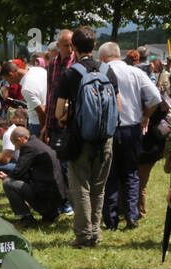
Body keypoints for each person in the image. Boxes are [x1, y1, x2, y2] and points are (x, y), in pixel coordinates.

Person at [55, 26, 116, 248]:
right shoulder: (107, 70)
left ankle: (83, 235)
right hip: (105, 138)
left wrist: (70, 112)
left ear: (74, 47)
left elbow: (59, 114)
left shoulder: (71, 73)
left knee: (80, 185)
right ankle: (96, 232)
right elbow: (117, 105)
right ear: (94, 45)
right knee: (99, 187)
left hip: (80, 138)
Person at [100, 42, 162, 231]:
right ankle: (132, 216)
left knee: (110, 176)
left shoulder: (101, 73)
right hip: (132, 129)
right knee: (130, 174)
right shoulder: (136, 73)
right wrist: (145, 116)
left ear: (103, 57)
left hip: (109, 129)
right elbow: (155, 98)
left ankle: (110, 220)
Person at [0, 126, 67, 225]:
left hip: (49, 197)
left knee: (8, 183)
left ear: (20, 139)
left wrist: (6, 177)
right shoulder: (36, 143)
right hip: (57, 195)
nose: (16, 148)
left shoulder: (28, 147)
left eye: (15, 144)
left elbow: (18, 172)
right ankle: (50, 213)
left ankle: (25, 217)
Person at [0, 60, 47, 137]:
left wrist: (43, 131)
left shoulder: (26, 89)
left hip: (37, 124)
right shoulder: (39, 70)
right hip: (50, 119)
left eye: (7, 80)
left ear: (12, 74)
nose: (9, 83)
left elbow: (41, 111)